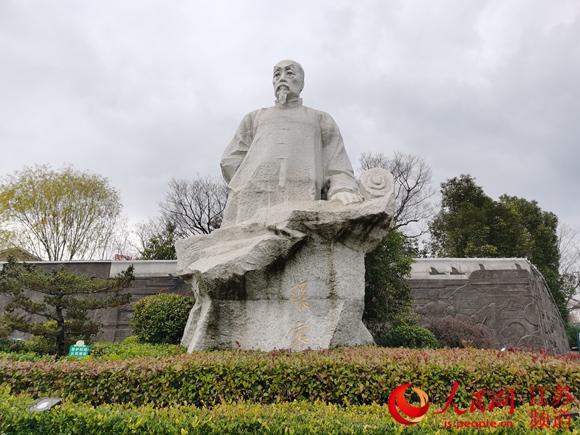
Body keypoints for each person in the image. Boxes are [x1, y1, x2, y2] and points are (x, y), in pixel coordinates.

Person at [220, 59, 363, 227]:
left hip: (304, 195)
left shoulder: (320, 119)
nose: (282, 78)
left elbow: (336, 161)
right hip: (253, 198)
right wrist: (247, 182)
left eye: (289, 73)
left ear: (301, 83)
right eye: (276, 74)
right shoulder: (254, 118)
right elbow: (230, 159)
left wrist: (342, 189)